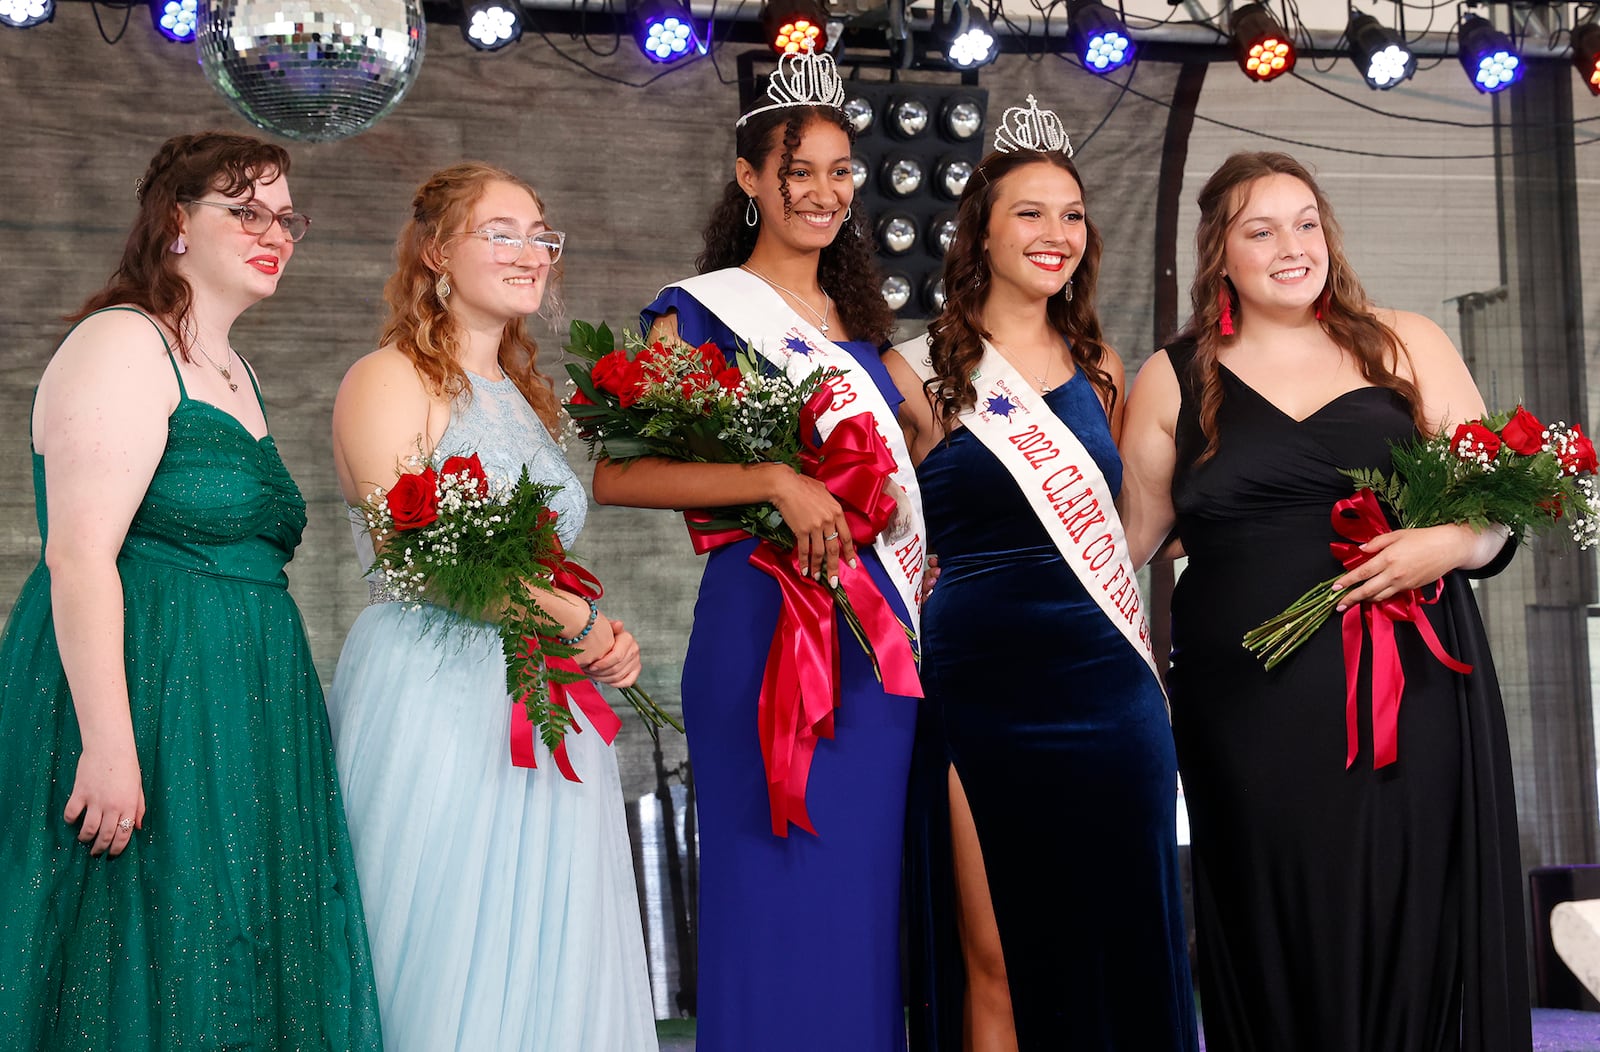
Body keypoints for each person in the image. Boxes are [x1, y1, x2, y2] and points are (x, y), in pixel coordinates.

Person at [1118, 151, 1530, 1052]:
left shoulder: (1404, 340)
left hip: (1410, 690)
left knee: (1405, 910)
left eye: (1305, 222)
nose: (1290, 246)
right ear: (1218, 252)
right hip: (1243, 713)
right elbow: (1122, 549)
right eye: (1259, 230)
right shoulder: (1175, 376)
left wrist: (1447, 544)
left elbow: (1498, 512)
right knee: (1272, 922)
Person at [0, 132, 382, 1048]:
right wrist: (108, 745)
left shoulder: (233, 369)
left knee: (229, 948)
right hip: (146, 693)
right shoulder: (122, 341)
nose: (275, 233)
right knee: (139, 953)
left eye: (287, 217)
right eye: (245, 211)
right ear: (175, 222)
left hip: (239, 701)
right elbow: (80, 555)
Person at [590, 51, 927, 1052]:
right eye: (800, 170)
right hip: (759, 616)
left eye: (839, 171)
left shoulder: (861, 330)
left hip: (873, 631)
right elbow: (616, 473)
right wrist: (774, 480)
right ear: (748, 178)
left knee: (858, 887)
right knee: (767, 869)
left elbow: (928, 466)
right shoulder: (697, 309)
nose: (824, 191)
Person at [884, 97, 1199, 1052]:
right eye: (1030, 212)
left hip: (1108, 684)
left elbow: (1143, 520)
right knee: (995, 952)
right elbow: (877, 528)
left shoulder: (1104, 367)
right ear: (978, 230)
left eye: (1071, 215)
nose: (1056, 233)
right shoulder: (914, 373)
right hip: (981, 687)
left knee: (1126, 935)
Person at [324, 162, 656, 1051]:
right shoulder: (386, 378)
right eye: (500, 232)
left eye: (540, 235)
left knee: (550, 950)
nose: (529, 252)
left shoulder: (526, 398)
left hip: (543, 700)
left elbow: (545, 565)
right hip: (437, 692)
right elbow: (413, 551)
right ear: (436, 251)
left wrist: (600, 632)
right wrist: (566, 617)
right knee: (438, 933)